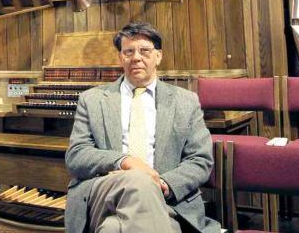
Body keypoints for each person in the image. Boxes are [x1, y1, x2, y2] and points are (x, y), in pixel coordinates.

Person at [65, 22, 221, 233]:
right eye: (129, 51)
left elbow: (200, 160)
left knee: (112, 229)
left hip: (166, 202)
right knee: (138, 179)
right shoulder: (92, 100)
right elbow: (76, 155)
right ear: (121, 57)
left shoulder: (186, 101)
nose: (136, 57)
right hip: (105, 194)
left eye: (145, 50)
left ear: (158, 56)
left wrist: (164, 184)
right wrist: (126, 162)